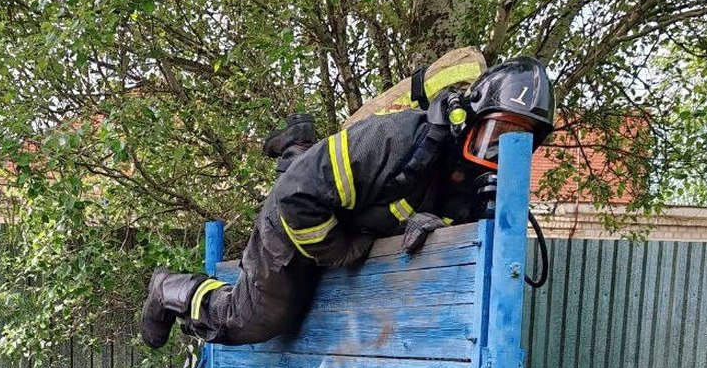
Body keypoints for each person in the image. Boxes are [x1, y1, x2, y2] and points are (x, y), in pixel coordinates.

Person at [141, 56, 556, 348]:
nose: (497, 154)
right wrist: (339, 251)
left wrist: (442, 230)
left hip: (344, 212)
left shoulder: (475, 185)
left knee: (322, 175)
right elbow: (297, 199)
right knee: (255, 320)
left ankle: (298, 148)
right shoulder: (394, 140)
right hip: (296, 222)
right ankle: (170, 288)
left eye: (516, 142)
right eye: (495, 133)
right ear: (465, 115)